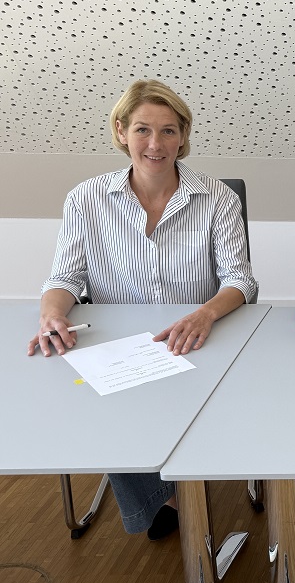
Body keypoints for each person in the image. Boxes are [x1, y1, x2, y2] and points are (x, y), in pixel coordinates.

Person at [28, 79, 258, 541]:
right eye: (142, 130)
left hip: (196, 337)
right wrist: (51, 315)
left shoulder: (217, 198)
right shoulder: (86, 198)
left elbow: (240, 281)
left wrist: (204, 314)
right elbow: (65, 278)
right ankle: (168, 498)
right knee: (103, 405)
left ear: (183, 136)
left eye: (169, 131)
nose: (156, 144)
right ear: (121, 131)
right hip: (121, 344)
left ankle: (175, 494)